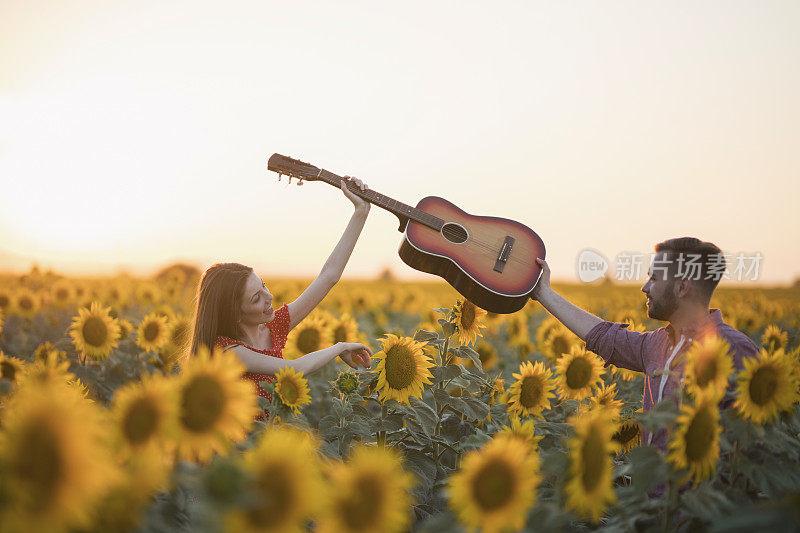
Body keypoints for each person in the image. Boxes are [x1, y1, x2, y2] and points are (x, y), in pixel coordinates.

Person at [530, 237, 758, 449]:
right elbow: (605, 337)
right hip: (657, 491)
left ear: (681, 287)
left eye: (654, 278)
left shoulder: (734, 349)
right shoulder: (659, 344)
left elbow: (752, 441)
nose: (645, 287)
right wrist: (543, 293)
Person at [188, 176, 374, 420]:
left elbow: (329, 276)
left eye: (263, 285)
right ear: (234, 313)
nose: (270, 297)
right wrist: (340, 346)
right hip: (239, 452)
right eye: (256, 298)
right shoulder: (227, 351)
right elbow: (295, 369)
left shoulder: (272, 327)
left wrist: (361, 211)